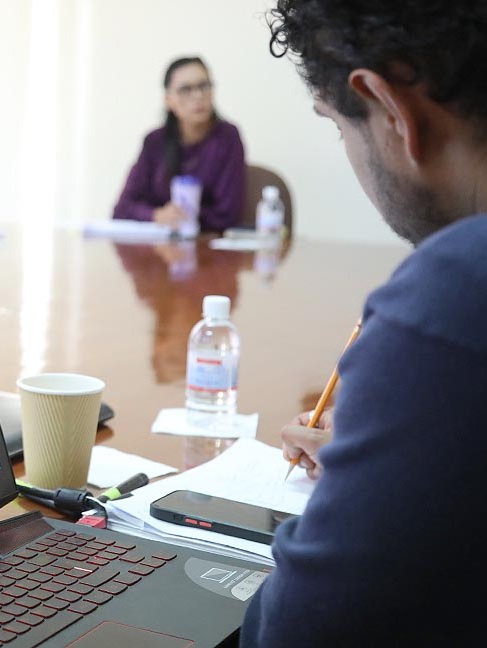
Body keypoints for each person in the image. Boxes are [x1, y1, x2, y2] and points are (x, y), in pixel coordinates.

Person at [240, 2, 487, 646]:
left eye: (337, 126)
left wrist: (355, 496)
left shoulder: (455, 293)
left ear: (390, 110)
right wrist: (395, 465)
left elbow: (290, 632)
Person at [112, 57, 245, 232]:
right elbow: (122, 209)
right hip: (158, 243)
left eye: (204, 86)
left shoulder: (227, 137)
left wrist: (183, 216)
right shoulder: (154, 141)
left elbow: (227, 214)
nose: (198, 95)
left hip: (206, 241)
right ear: (169, 100)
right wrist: (156, 215)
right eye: (185, 90)